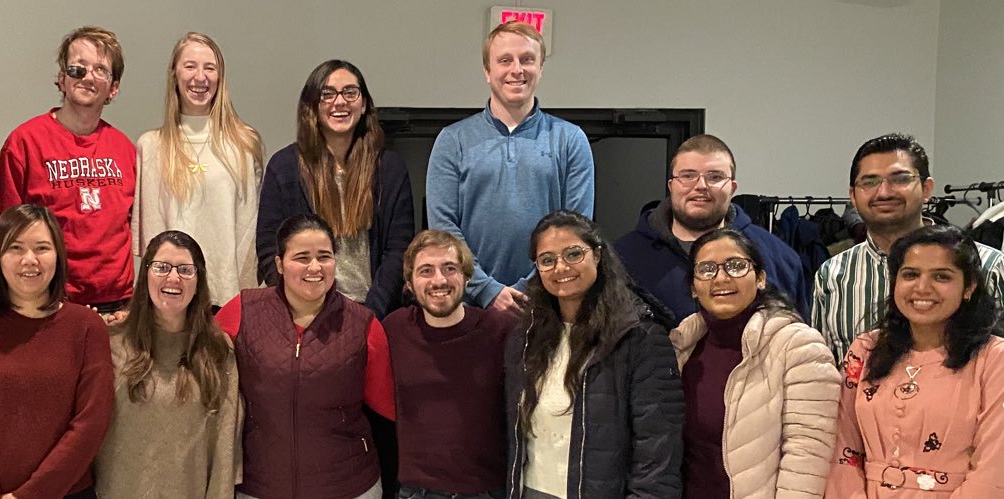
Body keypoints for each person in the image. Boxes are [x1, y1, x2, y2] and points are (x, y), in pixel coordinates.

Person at [824, 225, 1004, 497]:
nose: (922, 288)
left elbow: (996, 470)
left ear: (969, 287)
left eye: (942, 276)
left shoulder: (1000, 359)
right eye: (910, 274)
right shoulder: (865, 349)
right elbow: (841, 446)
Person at [0, 204, 112, 499]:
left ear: (58, 255)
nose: (29, 260)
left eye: (42, 247)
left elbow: (91, 423)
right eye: (15, 248)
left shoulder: (87, 326)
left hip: (65, 492)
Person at [503, 211, 683, 499]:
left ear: (597, 255)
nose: (561, 267)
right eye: (547, 260)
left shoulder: (639, 336)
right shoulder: (526, 336)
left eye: (573, 254)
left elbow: (658, 452)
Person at [217, 214, 396, 499]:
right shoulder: (243, 311)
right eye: (302, 257)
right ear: (279, 264)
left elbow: (389, 408)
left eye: (324, 256)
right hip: (260, 487)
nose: (315, 267)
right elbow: (194, 357)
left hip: (349, 488)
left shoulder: (362, 324)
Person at [426, 21, 594, 316]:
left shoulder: (571, 140)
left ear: (540, 68)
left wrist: (530, 289)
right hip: (469, 306)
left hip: (549, 305)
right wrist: (486, 289)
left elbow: (576, 229)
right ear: (487, 71)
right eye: (505, 60)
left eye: (527, 59)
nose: (517, 69)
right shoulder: (452, 141)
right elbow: (443, 229)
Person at [814, 133, 1004, 363]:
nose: (884, 192)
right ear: (852, 195)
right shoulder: (831, 274)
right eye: (870, 182)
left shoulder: (990, 267)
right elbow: (827, 373)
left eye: (900, 179)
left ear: (926, 188)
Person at [670, 227, 840, 498]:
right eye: (706, 269)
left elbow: (807, 455)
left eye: (736, 266)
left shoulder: (798, 345)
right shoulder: (681, 346)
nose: (721, 278)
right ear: (693, 286)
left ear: (760, 277)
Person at [0, 26, 136, 326]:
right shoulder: (24, 143)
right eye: (78, 67)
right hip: (49, 303)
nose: (87, 76)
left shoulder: (125, 149)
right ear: (62, 78)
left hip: (118, 308)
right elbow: (6, 233)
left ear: (114, 87)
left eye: (100, 69)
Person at [255, 59, 413, 318]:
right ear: (313, 107)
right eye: (327, 94)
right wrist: (298, 303)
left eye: (350, 92)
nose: (340, 102)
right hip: (305, 314)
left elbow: (399, 250)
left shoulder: (389, 168)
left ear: (363, 105)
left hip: (372, 312)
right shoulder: (284, 167)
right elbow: (269, 247)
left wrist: (372, 313)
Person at [96, 230, 240, 499]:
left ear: (199, 281)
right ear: (146, 274)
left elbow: (224, 446)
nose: (173, 278)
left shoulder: (218, 350)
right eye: (161, 267)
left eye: (186, 270)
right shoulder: (110, 345)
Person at [615, 134, 808, 321]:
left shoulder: (778, 258)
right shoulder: (622, 258)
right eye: (688, 175)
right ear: (671, 185)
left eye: (715, 177)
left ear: (732, 188)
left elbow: (799, 340)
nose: (701, 185)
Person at [381, 230, 513, 498]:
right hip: (417, 490)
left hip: (485, 489)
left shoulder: (501, 330)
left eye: (449, 268)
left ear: (466, 276)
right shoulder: (393, 329)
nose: (438, 280)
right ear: (409, 282)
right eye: (426, 271)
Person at [135, 32, 263, 309]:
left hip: (228, 297)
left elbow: (250, 230)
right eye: (190, 66)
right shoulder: (151, 147)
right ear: (175, 74)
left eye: (210, 67)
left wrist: (244, 297)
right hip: (171, 299)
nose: (200, 77)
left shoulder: (244, 143)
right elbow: (151, 234)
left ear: (221, 77)